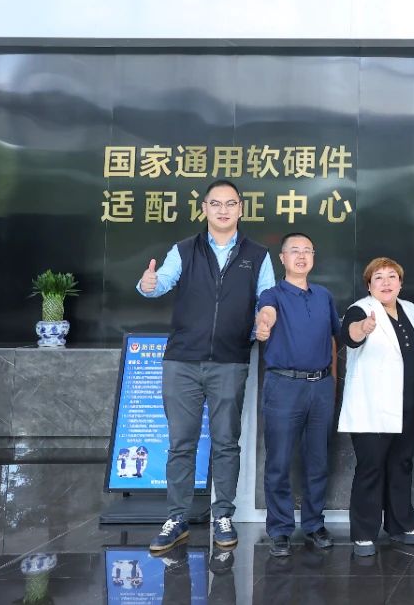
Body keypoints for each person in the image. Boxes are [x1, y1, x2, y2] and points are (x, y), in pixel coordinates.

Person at [137, 178, 275, 554]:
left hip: (230, 361)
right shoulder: (185, 249)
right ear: (204, 209)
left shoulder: (257, 254)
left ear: (241, 209)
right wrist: (148, 284)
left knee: (226, 442)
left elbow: (267, 297)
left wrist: (264, 319)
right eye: (216, 204)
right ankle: (177, 518)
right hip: (182, 360)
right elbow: (160, 282)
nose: (223, 210)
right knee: (181, 443)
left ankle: (223, 516)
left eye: (230, 204)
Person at [337, 256, 414, 558]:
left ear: (400, 283)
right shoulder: (361, 310)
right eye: (378, 277)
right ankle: (364, 533)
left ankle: (401, 525)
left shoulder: (413, 311)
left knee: (401, 465)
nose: (386, 282)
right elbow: (350, 336)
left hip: (408, 404)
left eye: (392, 276)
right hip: (373, 406)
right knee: (371, 467)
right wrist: (364, 328)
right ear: (369, 285)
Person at [254, 232, 339, 557]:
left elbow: (336, 337)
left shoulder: (324, 296)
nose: (301, 256)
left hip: (321, 386)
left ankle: (314, 525)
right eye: (294, 251)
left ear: (313, 257)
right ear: (283, 258)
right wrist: (264, 323)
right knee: (278, 461)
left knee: (318, 460)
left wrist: (333, 381)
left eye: (307, 251)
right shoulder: (272, 294)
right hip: (284, 386)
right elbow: (266, 313)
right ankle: (279, 530)